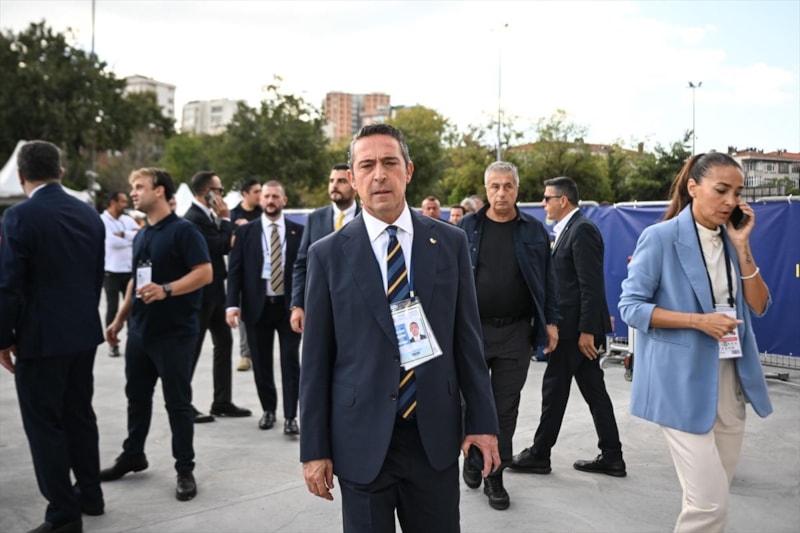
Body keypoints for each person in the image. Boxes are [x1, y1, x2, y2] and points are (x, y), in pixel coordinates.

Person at [300, 124, 500, 532]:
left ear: (408, 170)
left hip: (433, 438)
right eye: (367, 165)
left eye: (390, 163)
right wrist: (314, 449)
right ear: (352, 178)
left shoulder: (449, 243)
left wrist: (482, 422)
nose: (379, 174)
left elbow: (468, 342)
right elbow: (316, 361)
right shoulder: (327, 255)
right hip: (360, 440)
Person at [618, 153, 772, 532]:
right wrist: (697, 321)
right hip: (681, 384)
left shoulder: (731, 239)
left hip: (730, 382)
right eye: (721, 190)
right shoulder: (660, 237)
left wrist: (742, 245)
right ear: (693, 187)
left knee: (708, 497)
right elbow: (631, 307)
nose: (731, 201)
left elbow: (759, 305)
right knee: (709, 504)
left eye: (737, 193)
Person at [0, 140, 105, 533]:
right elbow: (96, 277)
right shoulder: (89, 214)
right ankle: (90, 494)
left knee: (44, 426)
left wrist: (3, 337)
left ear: (21, 176)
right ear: (61, 171)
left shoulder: (18, 216)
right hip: (82, 332)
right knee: (80, 416)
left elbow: (8, 285)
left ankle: (63, 513)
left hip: (40, 338)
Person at [100, 168, 212, 503]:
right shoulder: (142, 234)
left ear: (160, 190)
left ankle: (184, 468)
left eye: (139, 187)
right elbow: (135, 281)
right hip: (140, 332)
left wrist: (167, 289)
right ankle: (133, 454)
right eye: (132, 187)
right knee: (136, 397)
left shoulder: (184, 231)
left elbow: (204, 273)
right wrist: (119, 319)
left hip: (174, 334)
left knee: (177, 404)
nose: (133, 193)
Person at [458, 161, 560, 511]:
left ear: (517, 189)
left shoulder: (533, 230)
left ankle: (494, 475)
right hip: (472, 332)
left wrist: (551, 321)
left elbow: (548, 279)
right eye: (495, 187)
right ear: (486, 189)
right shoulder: (466, 228)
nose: (501, 193)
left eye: (508, 186)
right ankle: (473, 456)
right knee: (470, 401)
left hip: (516, 333)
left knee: (505, 408)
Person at [510, 176, 626, 480]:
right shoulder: (568, 230)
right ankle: (612, 456)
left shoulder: (582, 230)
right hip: (574, 327)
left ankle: (540, 454)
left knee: (555, 388)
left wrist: (587, 331)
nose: (543, 204)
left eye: (547, 198)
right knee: (593, 390)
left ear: (563, 200)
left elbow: (590, 285)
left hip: (575, 331)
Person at [226, 181, 304, 435]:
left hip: (288, 308)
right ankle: (268, 410)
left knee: (290, 362)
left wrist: (302, 304)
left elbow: (305, 271)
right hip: (256, 307)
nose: (270, 200)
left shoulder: (299, 232)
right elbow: (235, 271)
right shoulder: (246, 232)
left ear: (284, 200)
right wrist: (232, 305)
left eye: (275, 196)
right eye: (266, 196)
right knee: (261, 362)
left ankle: (291, 416)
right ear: (261, 200)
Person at [184, 171, 251, 423]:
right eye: (219, 190)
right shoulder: (194, 218)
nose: (222, 195)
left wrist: (225, 223)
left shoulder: (206, 215)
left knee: (224, 343)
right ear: (207, 192)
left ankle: (222, 401)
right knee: (192, 348)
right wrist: (226, 219)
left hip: (215, 292)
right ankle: (183, 404)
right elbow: (220, 246)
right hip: (200, 294)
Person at [289, 163, 360, 334]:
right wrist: (297, 305)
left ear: (355, 185)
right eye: (331, 180)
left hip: (358, 307)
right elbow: (302, 264)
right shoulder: (315, 218)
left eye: (341, 181)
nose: (334, 185)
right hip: (321, 306)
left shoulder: (366, 217)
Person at [101, 191, 140, 358]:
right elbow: (111, 242)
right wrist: (130, 239)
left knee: (132, 306)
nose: (126, 204)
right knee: (112, 307)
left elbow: (140, 235)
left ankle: (133, 341)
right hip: (111, 270)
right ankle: (113, 343)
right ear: (113, 202)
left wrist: (124, 234)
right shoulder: (103, 220)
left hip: (129, 269)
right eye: (122, 201)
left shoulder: (127, 219)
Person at [230, 179, 263, 372]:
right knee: (244, 312)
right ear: (245, 193)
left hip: (265, 272)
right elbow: (229, 242)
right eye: (256, 191)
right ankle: (245, 355)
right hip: (244, 271)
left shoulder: (263, 213)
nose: (260, 195)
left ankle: (259, 354)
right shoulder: (232, 215)